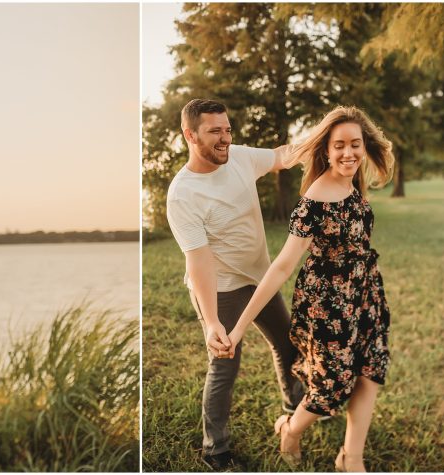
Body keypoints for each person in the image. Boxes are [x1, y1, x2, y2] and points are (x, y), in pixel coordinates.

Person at [225, 106, 394, 472]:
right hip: (328, 305)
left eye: (355, 144)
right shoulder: (315, 199)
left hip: (364, 294)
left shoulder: (354, 180)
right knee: (331, 386)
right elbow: (283, 265)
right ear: (326, 150)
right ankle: (290, 429)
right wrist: (237, 329)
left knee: (370, 369)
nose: (348, 153)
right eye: (339, 146)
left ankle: (352, 457)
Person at [165, 98, 302, 471]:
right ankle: (216, 451)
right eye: (214, 132)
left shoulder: (238, 156)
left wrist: (327, 135)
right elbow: (199, 262)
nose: (225, 138)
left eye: (227, 129)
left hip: (258, 280)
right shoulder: (183, 195)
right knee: (224, 363)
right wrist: (212, 322)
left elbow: (282, 156)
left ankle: (295, 410)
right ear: (190, 135)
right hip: (220, 288)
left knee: (287, 340)